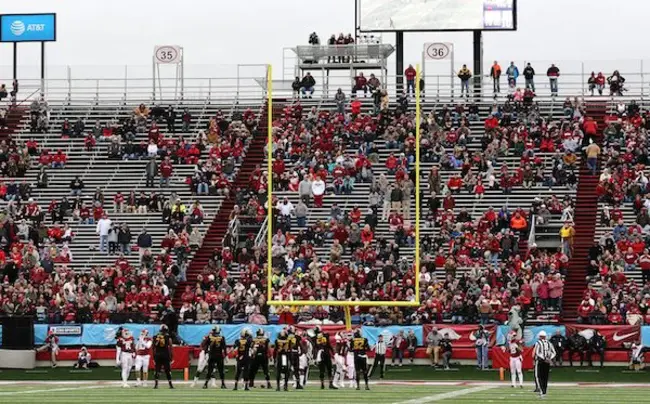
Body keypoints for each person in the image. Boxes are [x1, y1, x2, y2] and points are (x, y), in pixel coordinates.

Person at [534, 330, 556, 398]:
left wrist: (544, 358)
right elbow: (554, 352)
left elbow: (537, 352)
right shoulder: (549, 343)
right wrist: (549, 358)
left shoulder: (538, 342)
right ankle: (544, 392)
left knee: (538, 376)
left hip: (540, 361)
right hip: (547, 362)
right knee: (545, 377)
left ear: (540, 336)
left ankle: (541, 392)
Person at [152, 324, 174, 389]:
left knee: (157, 370)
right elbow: (170, 346)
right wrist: (171, 356)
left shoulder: (155, 336)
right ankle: (170, 384)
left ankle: (156, 384)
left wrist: (154, 356)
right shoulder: (168, 337)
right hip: (165, 355)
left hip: (158, 355)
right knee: (167, 370)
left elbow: (153, 347)